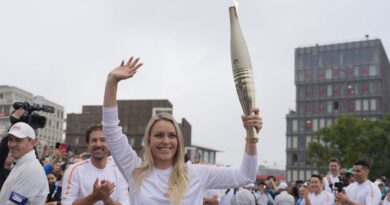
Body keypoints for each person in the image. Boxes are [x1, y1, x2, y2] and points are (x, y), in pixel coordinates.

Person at [102, 56, 261, 205]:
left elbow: (246, 176)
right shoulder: (135, 171)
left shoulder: (196, 174)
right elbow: (111, 130)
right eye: (158, 135)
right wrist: (111, 82)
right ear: (148, 141)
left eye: (172, 135)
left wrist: (250, 135)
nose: (166, 141)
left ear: (179, 141)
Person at [61, 124, 129, 205]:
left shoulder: (120, 172)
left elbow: (125, 202)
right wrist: (94, 197)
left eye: (103, 140)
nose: (98, 144)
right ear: (88, 145)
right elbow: (66, 203)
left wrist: (107, 200)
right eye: (94, 140)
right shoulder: (74, 170)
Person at [0, 122, 49, 204]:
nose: (12, 144)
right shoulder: (21, 164)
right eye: (10, 139)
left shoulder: (32, 169)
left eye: (18, 140)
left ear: (32, 142)